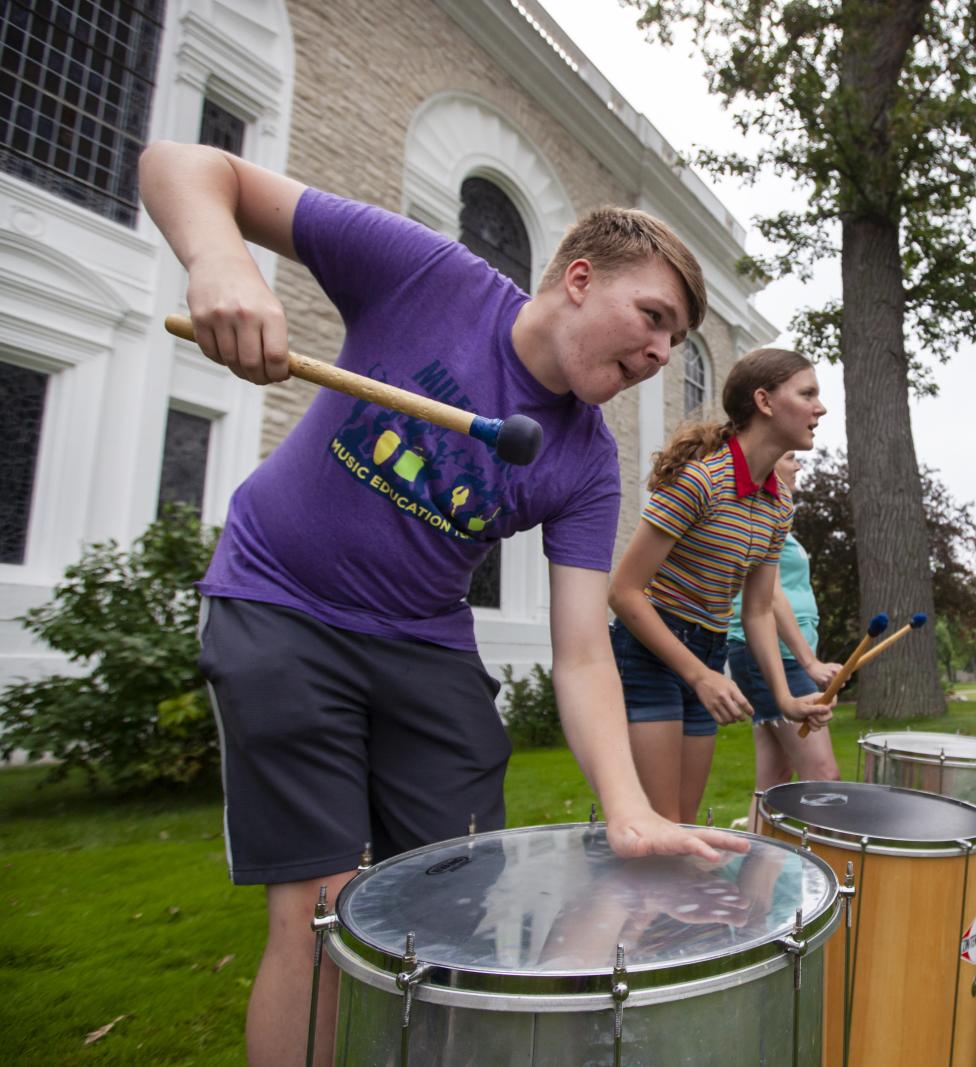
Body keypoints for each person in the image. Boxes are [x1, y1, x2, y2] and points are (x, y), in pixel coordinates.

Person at [138, 142, 746, 1066]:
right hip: (281, 603)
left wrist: (628, 807)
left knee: (455, 901)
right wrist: (222, 262)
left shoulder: (585, 461)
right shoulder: (429, 275)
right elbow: (182, 164)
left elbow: (582, 650)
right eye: (653, 317)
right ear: (579, 278)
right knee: (328, 910)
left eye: (673, 343)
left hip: (424, 643)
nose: (662, 353)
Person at [608, 350, 834, 825]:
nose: (821, 408)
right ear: (764, 402)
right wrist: (698, 675)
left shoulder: (778, 503)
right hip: (651, 651)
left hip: (709, 649)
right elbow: (624, 592)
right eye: (808, 394)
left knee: (682, 823)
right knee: (657, 825)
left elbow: (756, 610)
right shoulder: (702, 481)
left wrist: (786, 699)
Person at [725, 451, 843, 829]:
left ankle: (755, 879)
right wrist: (809, 661)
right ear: (769, 461)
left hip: (775, 653)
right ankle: (828, 880)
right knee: (823, 777)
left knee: (773, 780)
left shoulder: (776, 512)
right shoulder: (756, 510)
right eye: (791, 458)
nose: (797, 465)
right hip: (771, 653)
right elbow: (769, 594)